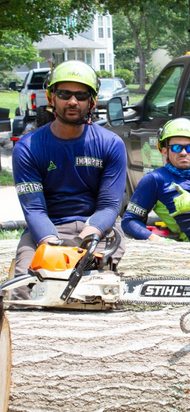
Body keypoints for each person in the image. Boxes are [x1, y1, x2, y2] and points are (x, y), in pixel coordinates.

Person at [11, 60, 127, 301]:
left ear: (92, 101)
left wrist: (90, 234)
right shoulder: (28, 147)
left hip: (97, 228)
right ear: (51, 97)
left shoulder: (110, 144)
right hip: (46, 229)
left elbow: (108, 206)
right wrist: (53, 246)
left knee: (100, 286)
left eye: (81, 95)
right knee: (25, 287)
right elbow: (33, 208)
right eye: (64, 93)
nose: (72, 101)